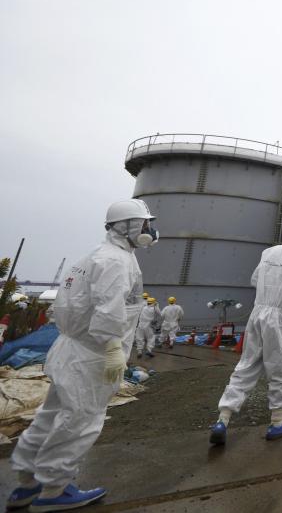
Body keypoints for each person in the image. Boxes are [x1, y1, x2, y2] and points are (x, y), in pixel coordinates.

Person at [7, 199, 157, 511]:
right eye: (144, 224)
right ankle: (55, 491)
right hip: (93, 354)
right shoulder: (116, 261)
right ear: (128, 226)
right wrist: (114, 349)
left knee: (51, 416)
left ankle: (26, 484)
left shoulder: (98, 255)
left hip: (73, 348)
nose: (150, 230)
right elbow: (108, 309)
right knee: (81, 420)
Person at [209, 218, 282, 445]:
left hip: (258, 313)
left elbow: (254, 279)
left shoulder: (269, 252)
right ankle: (277, 424)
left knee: (246, 365)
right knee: (280, 369)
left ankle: (223, 419)